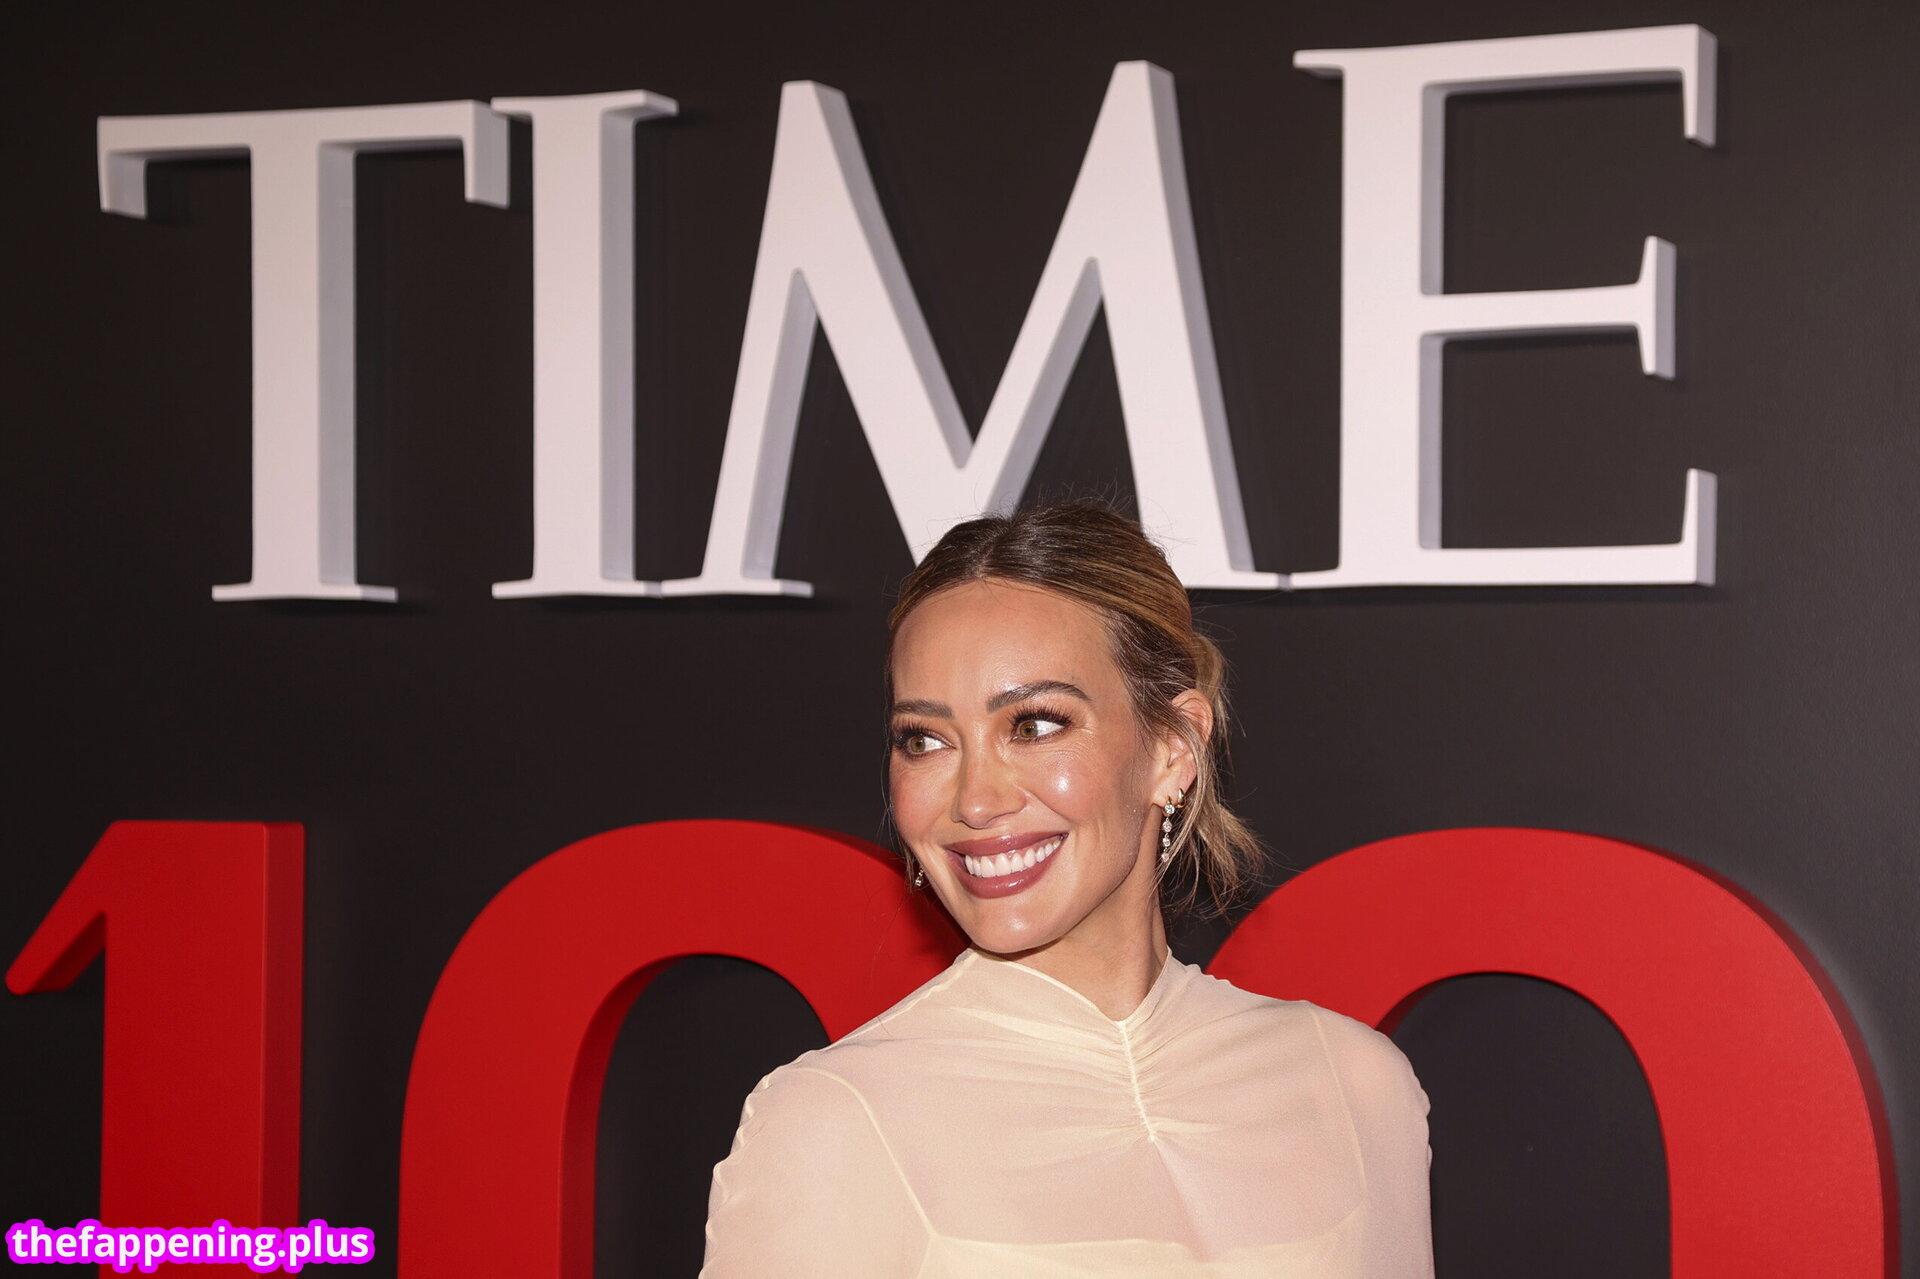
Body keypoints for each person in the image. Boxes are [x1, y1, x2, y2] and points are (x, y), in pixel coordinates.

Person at [699, 499, 1434, 1277]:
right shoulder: (832, 1120)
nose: (975, 800)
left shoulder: (1354, 1084)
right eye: (925, 739)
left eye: (1034, 724)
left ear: (1173, 748)